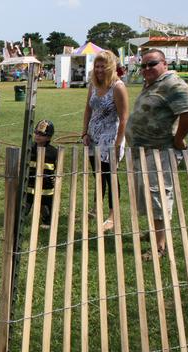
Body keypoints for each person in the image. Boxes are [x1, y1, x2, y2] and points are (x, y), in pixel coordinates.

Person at [126, 48, 188, 260]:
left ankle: (159, 246)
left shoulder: (172, 83)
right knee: (148, 196)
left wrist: (178, 138)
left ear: (164, 64)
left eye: (152, 64)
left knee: (157, 196)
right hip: (144, 151)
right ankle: (154, 231)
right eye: (144, 65)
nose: (147, 68)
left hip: (160, 153)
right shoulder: (153, 83)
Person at [81, 50, 129, 232]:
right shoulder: (93, 85)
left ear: (111, 67)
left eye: (103, 66)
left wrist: (117, 144)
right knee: (98, 175)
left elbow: (124, 118)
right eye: (97, 66)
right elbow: (88, 109)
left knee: (110, 177)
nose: (99, 69)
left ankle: (112, 216)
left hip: (110, 139)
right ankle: (96, 208)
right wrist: (84, 132)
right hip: (93, 138)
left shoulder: (118, 87)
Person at [24, 120, 58, 228]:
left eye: (42, 134)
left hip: (46, 187)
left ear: (49, 137)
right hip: (29, 186)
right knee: (23, 209)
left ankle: (46, 219)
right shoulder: (29, 149)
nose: (38, 136)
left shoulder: (53, 152)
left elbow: (55, 168)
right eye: (36, 133)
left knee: (46, 207)